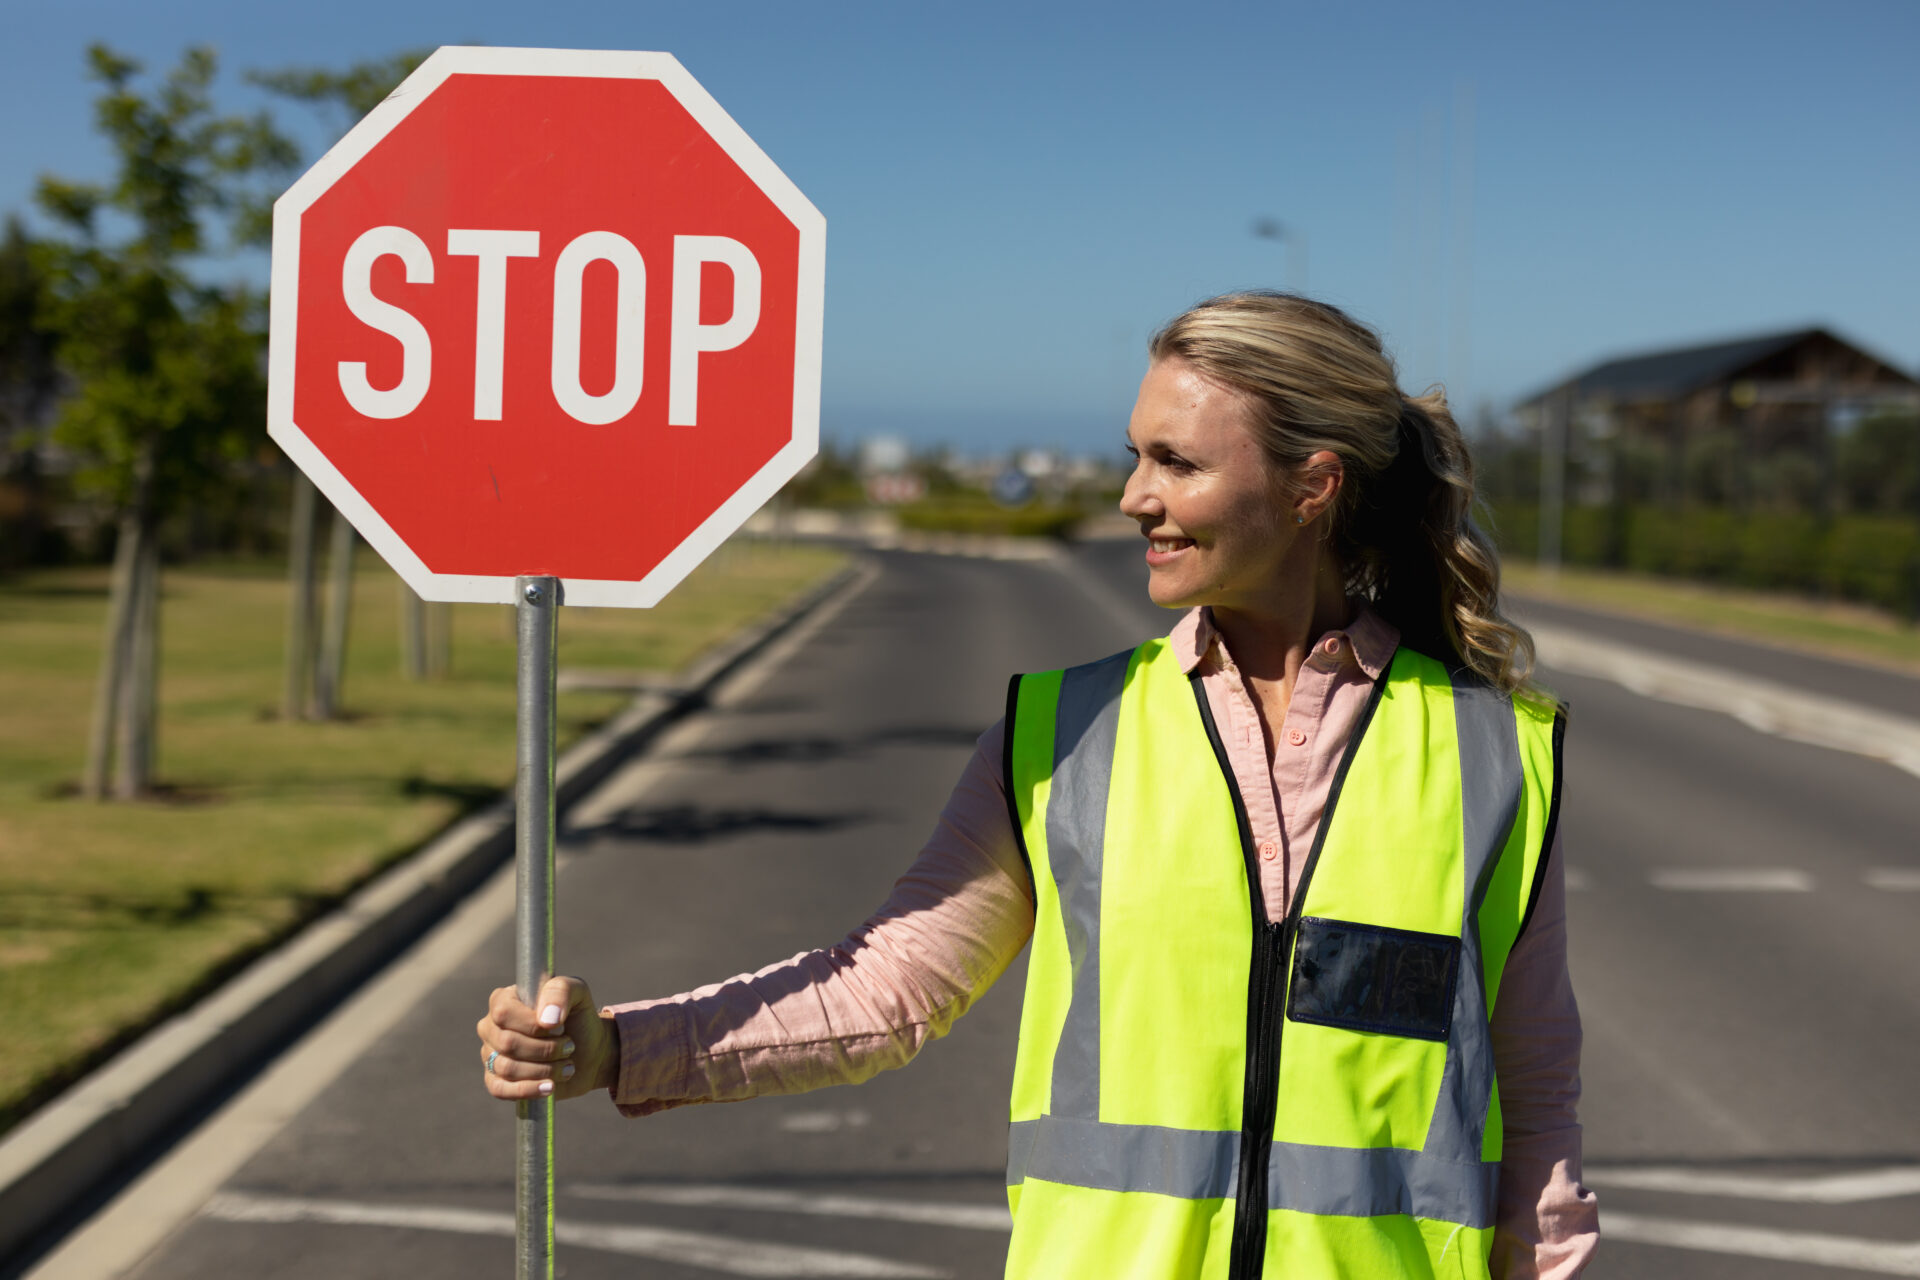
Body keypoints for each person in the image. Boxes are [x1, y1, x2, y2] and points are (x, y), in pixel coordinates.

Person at [477, 291, 1599, 1277]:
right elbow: (884, 992)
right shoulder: (1062, 732)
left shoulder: (1494, 752)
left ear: (1313, 485)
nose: (1132, 498)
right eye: (1134, 454)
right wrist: (616, 1047)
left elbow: (1534, 1087)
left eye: (1180, 462)